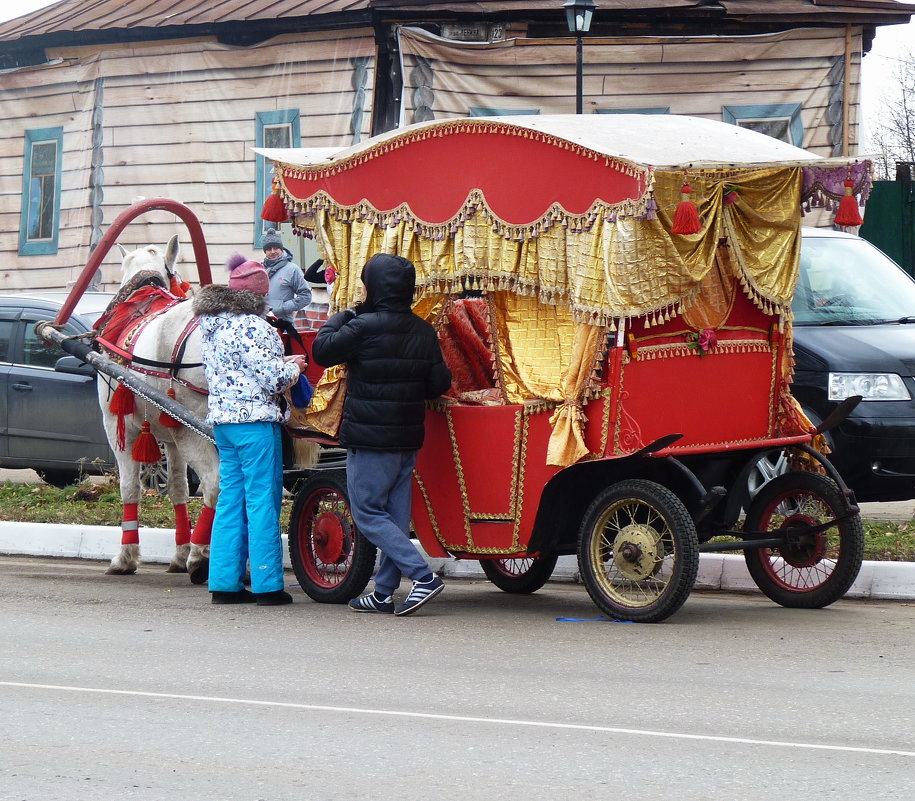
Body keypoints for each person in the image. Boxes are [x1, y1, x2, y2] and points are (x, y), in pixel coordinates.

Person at [312, 252, 452, 616]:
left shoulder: (362, 327)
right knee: (392, 517)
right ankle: (383, 592)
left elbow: (322, 351)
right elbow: (439, 384)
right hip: (407, 439)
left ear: (373, 287)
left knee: (368, 513)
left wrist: (341, 316)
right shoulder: (423, 330)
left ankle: (423, 576)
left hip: (371, 440)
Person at [194, 254, 307, 606]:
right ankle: (267, 584)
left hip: (225, 425)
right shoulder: (255, 327)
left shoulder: (212, 325)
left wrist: (279, 363)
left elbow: (238, 368)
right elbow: (272, 378)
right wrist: (296, 368)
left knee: (231, 500)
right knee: (262, 501)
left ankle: (224, 583)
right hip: (255, 424)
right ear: (261, 292)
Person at [261, 228, 312, 323]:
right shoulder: (260, 269)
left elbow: (306, 296)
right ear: (265, 251)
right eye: (268, 249)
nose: (272, 251)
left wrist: (281, 308)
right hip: (262, 322)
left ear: (281, 248)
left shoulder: (292, 269)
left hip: (283, 323)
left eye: (276, 248)